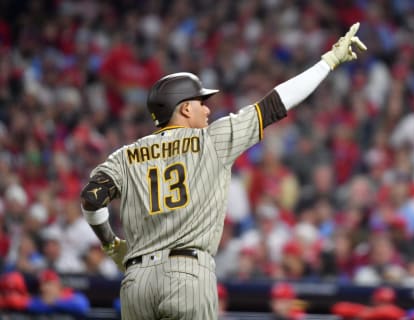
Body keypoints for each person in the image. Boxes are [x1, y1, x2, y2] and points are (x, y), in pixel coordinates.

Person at [80, 22, 367, 319]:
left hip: (136, 281)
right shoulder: (210, 140)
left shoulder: (125, 156)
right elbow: (276, 103)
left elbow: (91, 197)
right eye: (201, 102)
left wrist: (111, 243)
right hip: (187, 274)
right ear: (184, 108)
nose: (207, 109)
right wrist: (328, 62)